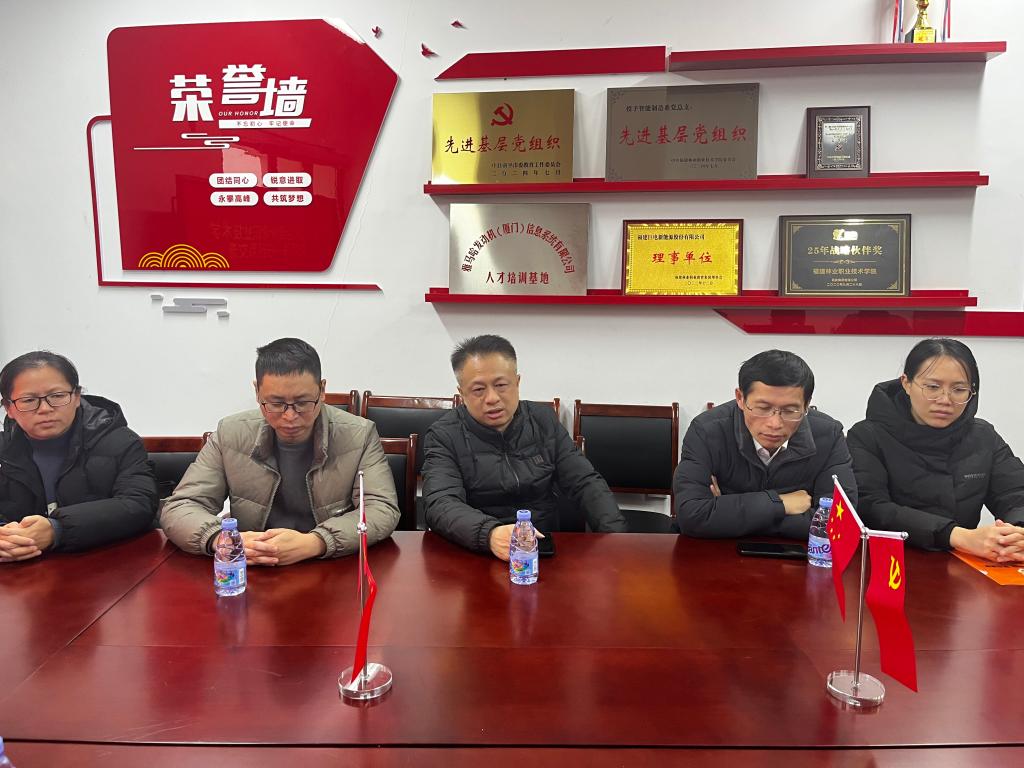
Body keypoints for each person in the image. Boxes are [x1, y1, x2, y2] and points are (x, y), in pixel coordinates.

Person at [160, 338, 398, 565]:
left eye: (303, 403)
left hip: (330, 565)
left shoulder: (359, 435)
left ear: (322, 389)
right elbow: (181, 506)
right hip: (252, 563)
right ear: (257, 392)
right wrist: (223, 540)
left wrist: (317, 542)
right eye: (275, 404)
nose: (290, 416)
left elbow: (381, 508)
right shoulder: (230, 433)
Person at [423, 334, 626, 560]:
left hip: (543, 545)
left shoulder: (543, 421)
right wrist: (489, 534)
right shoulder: (444, 435)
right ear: (462, 393)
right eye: (478, 389)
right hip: (476, 550)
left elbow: (585, 482)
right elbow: (441, 503)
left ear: (517, 382)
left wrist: (616, 540)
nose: (492, 398)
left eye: (501, 385)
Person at [848, 338, 1024, 560]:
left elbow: (1015, 493)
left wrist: (1016, 534)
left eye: (959, 390)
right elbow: (871, 508)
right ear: (906, 383)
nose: (945, 400)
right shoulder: (867, 436)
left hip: (963, 564)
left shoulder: (983, 436)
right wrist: (956, 536)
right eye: (932, 387)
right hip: (891, 563)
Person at [674, 349, 856, 539]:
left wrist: (727, 513)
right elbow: (691, 517)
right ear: (740, 398)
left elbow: (840, 523)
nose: (774, 424)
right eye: (762, 408)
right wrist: (781, 504)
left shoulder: (828, 435)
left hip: (798, 553)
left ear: (806, 404)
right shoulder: (707, 431)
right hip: (717, 551)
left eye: (790, 411)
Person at [0, 351, 158, 561]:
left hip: (106, 563)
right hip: (21, 569)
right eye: (28, 400)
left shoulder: (119, 441)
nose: (45, 409)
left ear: (76, 397)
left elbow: (139, 503)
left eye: (57, 396)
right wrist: (6, 537)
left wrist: (57, 529)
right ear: (9, 408)